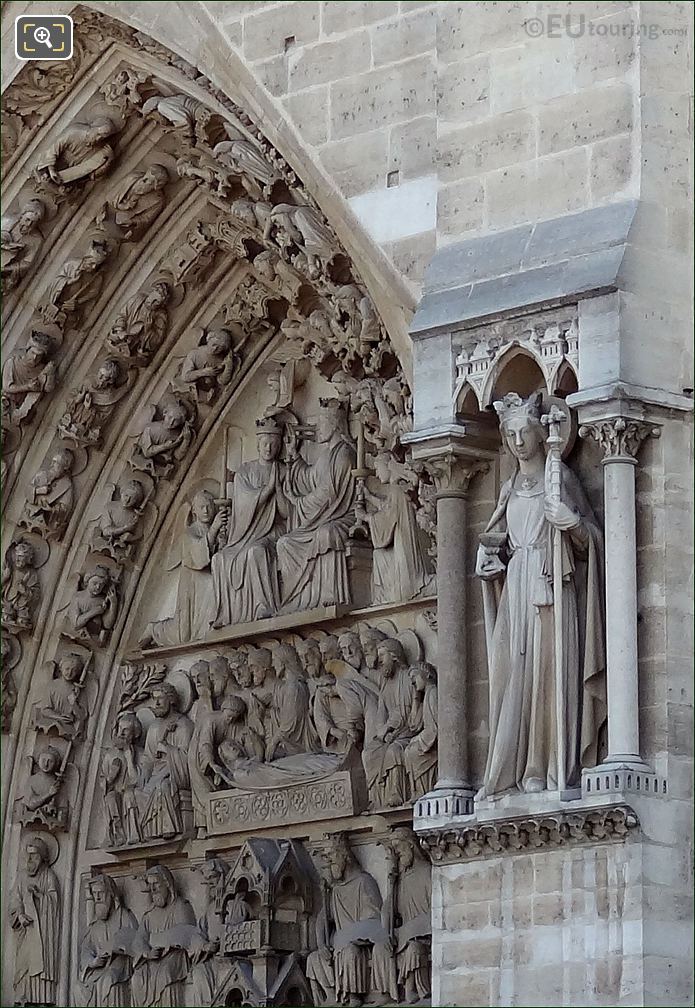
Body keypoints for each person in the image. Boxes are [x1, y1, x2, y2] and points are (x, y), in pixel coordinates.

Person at [476, 392, 605, 797]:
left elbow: (593, 543)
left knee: (548, 671)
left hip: (551, 587)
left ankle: (544, 765)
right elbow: (498, 541)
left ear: (539, 433)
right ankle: (508, 769)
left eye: (524, 432)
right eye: (511, 433)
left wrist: (572, 523)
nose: (517, 441)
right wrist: (489, 563)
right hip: (517, 585)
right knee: (510, 677)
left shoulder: (560, 477)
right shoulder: (509, 486)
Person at [277, 398, 356, 612]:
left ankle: (330, 594)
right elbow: (309, 478)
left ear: (335, 424)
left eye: (322, 423)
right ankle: (297, 600)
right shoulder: (326, 456)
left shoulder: (344, 455)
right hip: (321, 517)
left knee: (326, 533)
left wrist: (298, 502)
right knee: (284, 542)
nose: (318, 428)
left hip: (340, 517)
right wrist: (294, 454)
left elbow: (329, 494)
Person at [212, 418, 286, 627]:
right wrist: (269, 488)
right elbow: (244, 505)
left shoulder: (284, 470)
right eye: (265, 444)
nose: (269, 448)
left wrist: (278, 489)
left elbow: (287, 512)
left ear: (279, 446)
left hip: (274, 529)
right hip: (244, 532)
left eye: (273, 444)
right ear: (258, 445)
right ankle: (226, 614)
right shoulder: (245, 472)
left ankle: (264, 606)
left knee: (256, 552)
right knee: (220, 558)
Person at [144, 490, 225, 646]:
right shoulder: (190, 532)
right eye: (201, 507)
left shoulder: (218, 528)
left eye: (209, 506)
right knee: (183, 633)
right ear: (194, 510)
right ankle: (155, 629)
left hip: (208, 577)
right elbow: (198, 557)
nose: (206, 511)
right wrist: (214, 530)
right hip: (194, 582)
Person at [131, 866, 199, 1008]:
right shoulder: (149, 915)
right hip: (152, 959)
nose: (153, 889)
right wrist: (147, 953)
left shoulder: (181, 906)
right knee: (137, 978)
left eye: (156, 884)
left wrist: (158, 939)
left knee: (165, 973)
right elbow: (139, 940)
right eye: (150, 886)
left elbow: (187, 934)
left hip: (175, 956)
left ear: (167, 884)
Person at [10, 836, 60, 1006]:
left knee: (41, 969)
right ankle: (22, 999)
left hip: (44, 933)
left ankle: (43, 1000)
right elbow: (14, 901)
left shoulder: (49, 876)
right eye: (28, 855)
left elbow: (55, 902)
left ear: (43, 858)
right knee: (24, 966)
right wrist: (20, 916)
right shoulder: (22, 877)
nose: (30, 860)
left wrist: (40, 896)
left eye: (35, 856)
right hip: (27, 932)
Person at [141, 684, 194, 840]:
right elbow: (148, 760)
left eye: (160, 699)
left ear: (171, 700)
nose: (156, 704)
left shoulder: (184, 725)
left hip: (174, 776)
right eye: (154, 699)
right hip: (156, 775)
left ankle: (168, 829)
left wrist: (166, 747)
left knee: (163, 787)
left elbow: (187, 759)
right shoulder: (153, 728)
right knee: (133, 794)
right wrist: (141, 779)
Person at [80, 873, 138, 1007]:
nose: (97, 897)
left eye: (100, 892)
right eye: (94, 894)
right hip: (99, 967)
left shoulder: (125, 916)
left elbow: (136, 942)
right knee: (80, 988)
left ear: (111, 894)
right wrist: (93, 962)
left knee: (108, 979)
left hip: (121, 965)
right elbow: (86, 949)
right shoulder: (95, 925)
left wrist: (118, 947)